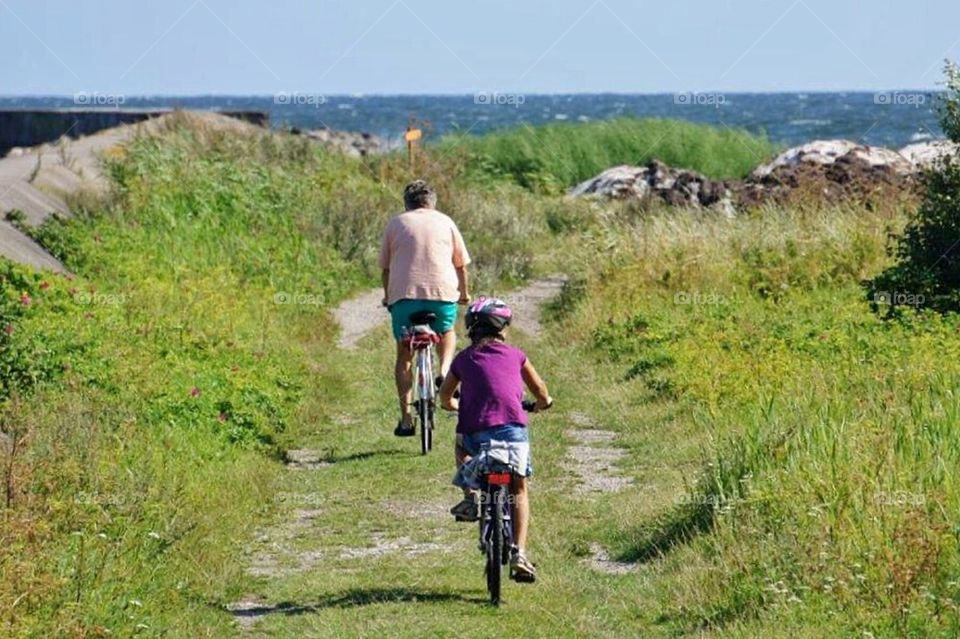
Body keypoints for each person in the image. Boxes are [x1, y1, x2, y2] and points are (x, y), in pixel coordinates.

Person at [439, 297, 553, 583]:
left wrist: (456, 405)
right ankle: (519, 553)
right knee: (518, 488)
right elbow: (539, 390)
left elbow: (445, 397)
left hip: (476, 435)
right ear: (503, 327)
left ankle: (469, 497)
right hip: (513, 433)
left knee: (460, 442)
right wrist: (543, 402)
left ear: (471, 329)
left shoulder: (463, 359)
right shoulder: (516, 355)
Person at [379, 180, 471, 437]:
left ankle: (406, 419)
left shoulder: (396, 223)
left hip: (404, 298)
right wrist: (464, 294)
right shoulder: (446, 222)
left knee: (403, 355)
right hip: (442, 295)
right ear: (432, 202)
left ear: (406, 204)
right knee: (447, 331)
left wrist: (388, 298)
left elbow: (385, 269)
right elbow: (461, 266)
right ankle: (444, 373)